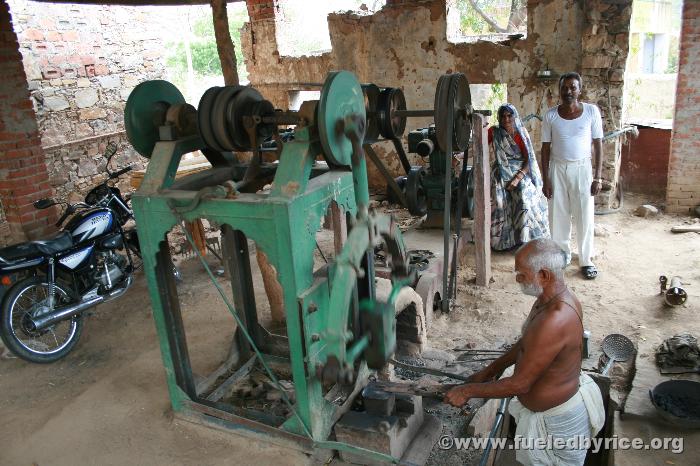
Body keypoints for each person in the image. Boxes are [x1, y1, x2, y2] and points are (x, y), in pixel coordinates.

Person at [444, 239, 605, 466]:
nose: (517, 279)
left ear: (544, 276)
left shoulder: (555, 319)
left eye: (522, 274)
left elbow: (520, 385)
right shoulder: (546, 300)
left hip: (559, 423)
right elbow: (525, 345)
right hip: (550, 413)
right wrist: (489, 370)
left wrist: (467, 391)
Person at [541, 72, 604, 280]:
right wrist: (546, 179)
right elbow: (545, 148)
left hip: (582, 169)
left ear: (580, 90)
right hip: (557, 168)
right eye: (564, 88)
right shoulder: (550, 115)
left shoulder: (591, 112)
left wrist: (598, 177)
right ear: (559, 90)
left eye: (572, 87)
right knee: (558, 216)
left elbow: (598, 144)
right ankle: (562, 257)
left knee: (584, 215)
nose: (568, 91)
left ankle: (586, 260)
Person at [488, 104, 549, 250]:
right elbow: (478, 146)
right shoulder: (494, 132)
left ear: (514, 116)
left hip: (521, 172)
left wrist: (517, 179)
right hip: (501, 172)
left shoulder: (521, 133)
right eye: (503, 116)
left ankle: (524, 239)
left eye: (509, 115)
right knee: (499, 200)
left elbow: (530, 160)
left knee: (523, 196)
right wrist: (458, 156)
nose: (506, 119)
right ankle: (504, 242)